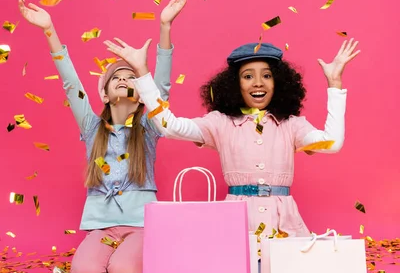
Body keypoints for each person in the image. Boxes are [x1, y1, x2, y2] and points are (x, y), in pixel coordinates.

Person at [18, 0, 188, 273]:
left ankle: (138, 263)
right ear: (104, 94)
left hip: (141, 225)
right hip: (102, 227)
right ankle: (116, 263)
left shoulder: (150, 128)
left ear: (141, 98)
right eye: (116, 77)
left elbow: (161, 86)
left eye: (131, 77)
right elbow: (71, 84)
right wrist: (49, 31)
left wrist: (165, 28)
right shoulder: (91, 126)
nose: (124, 79)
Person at [103, 36, 360, 236]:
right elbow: (169, 126)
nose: (258, 83)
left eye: (267, 76)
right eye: (248, 76)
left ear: (279, 83)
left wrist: (335, 84)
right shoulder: (220, 123)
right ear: (235, 85)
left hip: (285, 222)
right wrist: (142, 73)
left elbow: (332, 143)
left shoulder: (292, 125)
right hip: (237, 219)